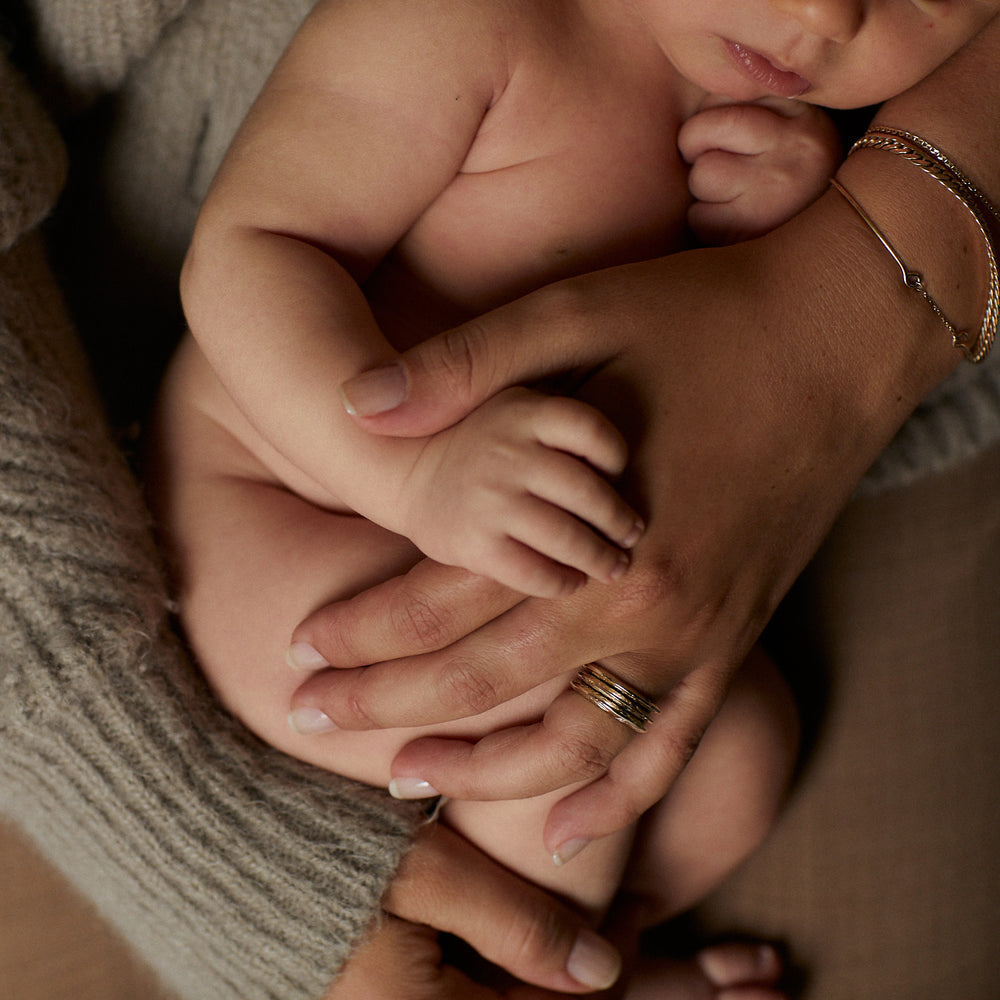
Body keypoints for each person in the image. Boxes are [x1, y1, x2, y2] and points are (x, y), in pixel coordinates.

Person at [2, 4, 998, 1000]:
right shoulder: (469, 24)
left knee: (741, 754)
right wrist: (413, 475)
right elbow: (250, 253)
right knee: (555, 703)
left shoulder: (775, 93)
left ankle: (579, 950)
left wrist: (782, 224)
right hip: (284, 510)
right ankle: (563, 972)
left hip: (571, 551)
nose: (825, 14)